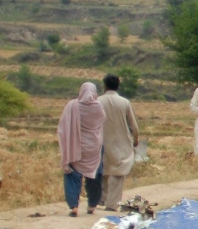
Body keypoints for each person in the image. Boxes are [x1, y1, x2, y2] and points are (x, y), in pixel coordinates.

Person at [57, 82, 105, 217]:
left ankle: (74, 207)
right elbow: (101, 122)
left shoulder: (72, 105)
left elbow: (63, 126)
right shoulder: (98, 107)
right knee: (95, 175)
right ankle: (92, 205)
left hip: (75, 146)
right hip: (94, 147)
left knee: (72, 175)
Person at [96, 73, 139, 211]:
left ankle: (101, 198)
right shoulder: (124, 102)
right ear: (117, 86)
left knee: (103, 169)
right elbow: (134, 126)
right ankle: (112, 203)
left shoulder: (97, 101)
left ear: (105, 86)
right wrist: (135, 139)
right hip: (121, 142)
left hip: (101, 140)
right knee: (118, 172)